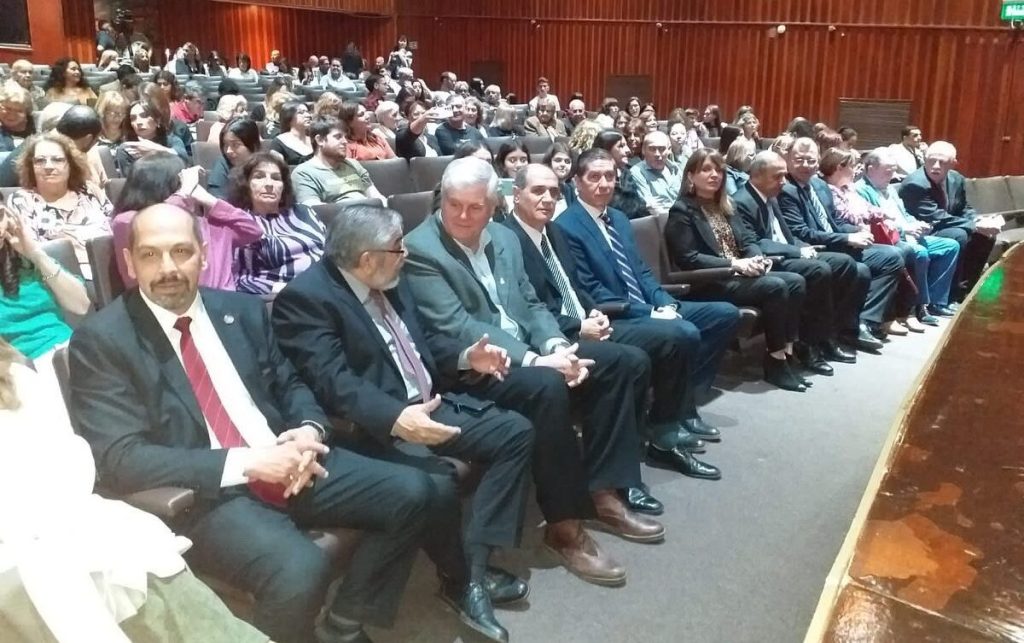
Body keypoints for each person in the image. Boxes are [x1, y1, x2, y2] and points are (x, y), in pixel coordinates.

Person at [68, 202, 437, 643]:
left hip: (291, 459)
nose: (168, 267)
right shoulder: (102, 340)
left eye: (182, 251)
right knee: (300, 569)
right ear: (128, 262)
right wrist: (248, 463)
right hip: (206, 493)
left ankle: (344, 619)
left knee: (416, 492)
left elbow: (291, 383)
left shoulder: (238, 310)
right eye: (150, 254)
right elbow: (120, 458)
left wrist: (308, 429)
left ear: (204, 254)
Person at [272, 205, 534, 643]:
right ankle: (459, 579)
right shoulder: (307, 299)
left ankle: (474, 562)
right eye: (398, 248)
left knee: (515, 433)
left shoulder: (388, 277)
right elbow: (334, 383)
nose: (406, 254)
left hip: (427, 401)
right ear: (367, 259)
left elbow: (421, 338)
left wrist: (466, 357)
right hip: (375, 422)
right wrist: (397, 419)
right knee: (438, 479)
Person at [403, 157, 665, 587]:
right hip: (473, 366)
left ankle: (604, 491)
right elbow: (460, 327)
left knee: (622, 362)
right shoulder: (421, 249)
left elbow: (531, 304)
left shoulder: (504, 238)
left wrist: (558, 345)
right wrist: (540, 361)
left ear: (494, 205)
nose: (465, 217)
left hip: (531, 352)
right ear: (441, 201)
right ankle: (564, 528)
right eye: (454, 206)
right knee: (546, 388)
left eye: (476, 207)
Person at [0, 337, 271, 643]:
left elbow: (70, 467)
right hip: (14, 567)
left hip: (71, 530)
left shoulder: (16, 379)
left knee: (173, 601)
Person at [504, 164, 719, 485]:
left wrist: (594, 313)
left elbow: (576, 289)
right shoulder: (507, 240)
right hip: (555, 335)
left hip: (586, 321)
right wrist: (578, 327)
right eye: (538, 191)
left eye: (553, 192)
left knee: (673, 338)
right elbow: (529, 308)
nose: (548, 199)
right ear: (516, 194)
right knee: (635, 360)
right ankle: (624, 464)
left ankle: (665, 430)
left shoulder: (554, 233)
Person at [555, 148, 741, 443]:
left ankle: (685, 402)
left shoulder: (616, 217)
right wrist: (651, 313)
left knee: (725, 315)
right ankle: (666, 418)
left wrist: (663, 301)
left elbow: (640, 271)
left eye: (609, 176)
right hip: (616, 314)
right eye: (594, 177)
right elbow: (589, 289)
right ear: (577, 182)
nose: (603, 183)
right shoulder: (566, 226)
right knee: (683, 332)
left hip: (649, 304)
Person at [664, 149, 810, 391]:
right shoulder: (682, 210)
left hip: (738, 274)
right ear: (690, 176)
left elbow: (747, 242)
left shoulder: (726, 204)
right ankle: (775, 361)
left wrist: (756, 259)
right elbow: (689, 258)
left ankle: (786, 352)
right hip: (710, 282)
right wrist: (734, 264)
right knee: (775, 286)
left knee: (796, 280)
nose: (714, 175)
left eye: (719, 170)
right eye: (706, 170)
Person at [733, 151, 862, 372]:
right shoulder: (742, 201)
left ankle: (825, 335)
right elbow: (756, 243)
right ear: (757, 176)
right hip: (771, 259)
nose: (783, 181)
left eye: (784, 176)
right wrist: (797, 251)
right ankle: (809, 343)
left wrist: (801, 246)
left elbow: (785, 235)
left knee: (844, 264)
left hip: (788, 251)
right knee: (818, 270)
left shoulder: (770, 195)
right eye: (778, 176)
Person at [777, 137, 901, 348]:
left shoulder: (818, 185)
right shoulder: (786, 190)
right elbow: (802, 232)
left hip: (836, 242)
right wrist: (846, 238)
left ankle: (863, 322)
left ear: (818, 161)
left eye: (810, 160)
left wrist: (856, 232)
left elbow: (832, 222)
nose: (805, 165)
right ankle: (837, 332)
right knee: (859, 269)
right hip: (817, 247)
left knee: (892, 256)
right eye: (799, 160)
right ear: (788, 159)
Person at [112, 153, 261, 290]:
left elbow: (253, 230)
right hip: (165, 305)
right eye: (182, 184)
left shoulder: (207, 223)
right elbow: (157, 219)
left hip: (222, 308)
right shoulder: (127, 221)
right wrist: (183, 193)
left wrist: (211, 200)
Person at [821, 147, 921, 336]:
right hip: (844, 241)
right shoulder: (829, 191)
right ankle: (872, 319)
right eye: (852, 166)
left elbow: (866, 207)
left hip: (862, 236)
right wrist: (864, 223)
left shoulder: (848, 189)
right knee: (894, 255)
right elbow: (845, 217)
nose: (856, 170)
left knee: (906, 250)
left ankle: (900, 312)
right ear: (838, 168)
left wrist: (882, 214)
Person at [858, 147, 960, 322]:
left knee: (950, 246)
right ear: (870, 169)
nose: (891, 176)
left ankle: (937, 302)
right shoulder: (861, 190)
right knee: (919, 252)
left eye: (893, 171)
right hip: (888, 239)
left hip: (907, 232)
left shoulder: (890, 189)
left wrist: (915, 223)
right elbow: (876, 224)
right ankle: (917, 307)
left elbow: (904, 214)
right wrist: (905, 229)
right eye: (887, 172)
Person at [898, 141, 1001, 302]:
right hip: (927, 229)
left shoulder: (956, 178)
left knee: (987, 236)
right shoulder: (915, 184)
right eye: (932, 160)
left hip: (951, 224)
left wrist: (979, 220)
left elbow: (963, 207)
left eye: (943, 162)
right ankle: (951, 294)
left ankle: (966, 291)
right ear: (925, 159)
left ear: (953, 163)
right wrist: (975, 226)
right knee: (959, 235)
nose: (936, 166)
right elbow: (935, 216)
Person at [5, 131, 112, 278]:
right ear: (31, 166)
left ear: (70, 164)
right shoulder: (22, 200)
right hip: (60, 277)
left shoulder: (90, 190)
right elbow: (30, 251)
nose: (48, 166)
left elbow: (115, 227)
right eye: (40, 161)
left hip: (109, 268)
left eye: (57, 160)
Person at [0, 205, 91, 362]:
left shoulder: (24, 256)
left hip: (67, 349)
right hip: (21, 367)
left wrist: (36, 254)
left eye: (0, 215)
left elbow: (81, 305)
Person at [231, 152, 326, 297]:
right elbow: (240, 278)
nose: (269, 184)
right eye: (259, 176)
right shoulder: (240, 221)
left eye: (276, 178)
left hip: (328, 285)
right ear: (246, 184)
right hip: (287, 296)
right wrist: (289, 290)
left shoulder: (303, 211)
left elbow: (328, 249)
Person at [291, 116, 385, 206]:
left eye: (345, 137)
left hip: (371, 216)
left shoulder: (353, 164)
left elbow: (376, 197)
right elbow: (314, 210)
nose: (345, 141)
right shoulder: (304, 173)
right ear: (320, 140)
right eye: (338, 137)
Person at [116, 97, 189, 175]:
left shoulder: (172, 141)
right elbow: (129, 181)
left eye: (144, 116)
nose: (138, 122)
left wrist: (156, 150)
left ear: (157, 119)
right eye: (133, 118)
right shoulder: (127, 148)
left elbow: (184, 160)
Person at [591, 129, 648, 219]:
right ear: (606, 150)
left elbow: (638, 204)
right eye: (621, 146)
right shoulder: (595, 180)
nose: (628, 150)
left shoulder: (626, 172)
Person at [629, 131, 682, 215]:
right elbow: (651, 206)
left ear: (669, 150)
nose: (657, 154)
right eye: (652, 149)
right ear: (643, 150)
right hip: (661, 221)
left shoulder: (676, 169)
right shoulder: (637, 172)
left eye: (662, 149)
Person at [208, 117, 259, 198]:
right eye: (225, 145)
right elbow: (216, 200)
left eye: (235, 145)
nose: (228, 151)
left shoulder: (266, 165)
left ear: (252, 145)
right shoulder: (222, 163)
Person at [267, 100, 313, 166]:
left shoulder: (315, 140)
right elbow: (276, 169)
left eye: (307, 112)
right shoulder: (278, 143)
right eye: (301, 112)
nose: (308, 115)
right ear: (289, 117)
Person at [542, 142, 576, 216]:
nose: (563, 164)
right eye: (558, 160)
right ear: (549, 162)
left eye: (567, 162)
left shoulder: (569, 188)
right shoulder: (541, 186)